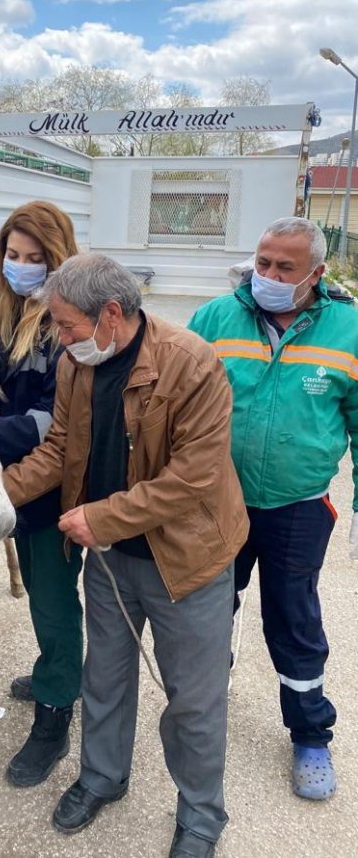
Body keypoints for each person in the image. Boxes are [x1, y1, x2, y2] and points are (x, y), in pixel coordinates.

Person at [2, 253, 248, 858]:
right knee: (105, 678)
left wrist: (101, 516)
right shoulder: (76, 365)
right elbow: (60, 448)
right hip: (112, 559)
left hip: (187, 560)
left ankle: (200, 813)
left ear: (111, 312)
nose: (60, 339)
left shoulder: (192, 363)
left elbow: (192, 477)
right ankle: (102, 777)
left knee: (193, 697)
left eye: (66, 326)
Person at [189, 216, 358, 801]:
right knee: (207, 610)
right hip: (216, 502)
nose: (269, 276)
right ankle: (202, 710)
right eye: (263, 263)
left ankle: (311, 733)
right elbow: (172, 401)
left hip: (297, 508)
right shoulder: (216, 318)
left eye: (285, 268)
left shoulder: (349, 330)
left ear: (317, 273)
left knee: (293, 621)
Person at [0, 200, 83, 788]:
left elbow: (51, 419)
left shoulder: (67, 324)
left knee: (53, 601)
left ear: (57, 259)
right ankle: (56, 673)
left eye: (35, 258)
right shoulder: (11, 314)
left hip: (52, 486)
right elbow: (5, 381)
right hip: (14, 477)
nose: (21, 267)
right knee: (41, 591)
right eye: (13, 256)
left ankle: (56, 711)